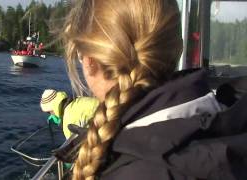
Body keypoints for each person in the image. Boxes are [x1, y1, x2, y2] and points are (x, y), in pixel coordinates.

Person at [60, 0, 247, 179]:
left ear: (90, 61)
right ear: (177, 48)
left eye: (79, 53)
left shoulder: (133, 171)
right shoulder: (231, 118)